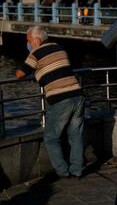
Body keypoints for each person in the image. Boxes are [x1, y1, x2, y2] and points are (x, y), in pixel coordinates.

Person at [16, 26, 85, 179]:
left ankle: (62, 171)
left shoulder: (35, 53)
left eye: (28, 40)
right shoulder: (58, 47)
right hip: (77, 95)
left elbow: (20, 74)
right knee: (76, 135)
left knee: (51, 137)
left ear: (37, 40)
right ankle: (77, 170)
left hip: (60, 99)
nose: (27, 44)